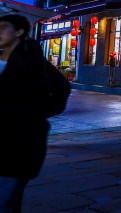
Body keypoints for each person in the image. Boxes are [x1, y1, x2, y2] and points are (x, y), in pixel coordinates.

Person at [0, 14, 70, 213]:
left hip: (18, 145)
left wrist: (33, 114)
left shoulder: (32, 63)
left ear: (20, 32)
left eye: (4, 27)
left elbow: (62, 89)